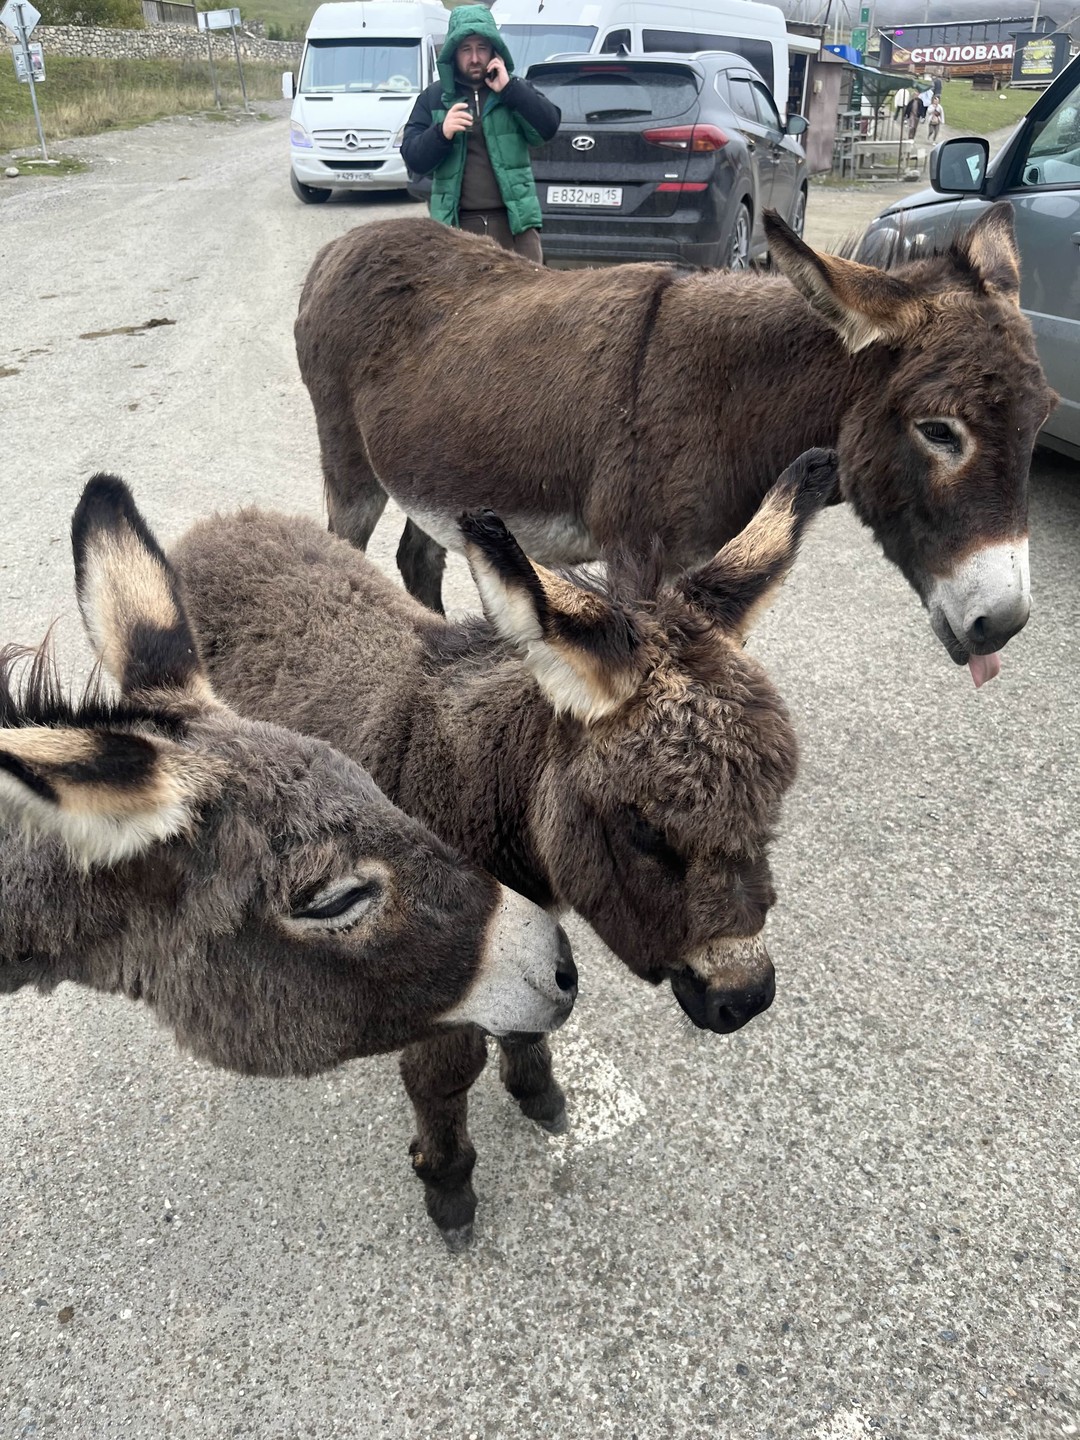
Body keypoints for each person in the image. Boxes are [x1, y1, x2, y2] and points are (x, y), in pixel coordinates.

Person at [401, 3, 561, 263]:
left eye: (481, 48)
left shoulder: (514, 90)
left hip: (515, 227)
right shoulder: (433, 98)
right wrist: (441, 133)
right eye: (466, 49)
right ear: (452, 53)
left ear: (494, 51)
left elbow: (549, 126)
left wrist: (510, 90)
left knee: (525, 303)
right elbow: (413, 158)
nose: (474, 58)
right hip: (455, 230)